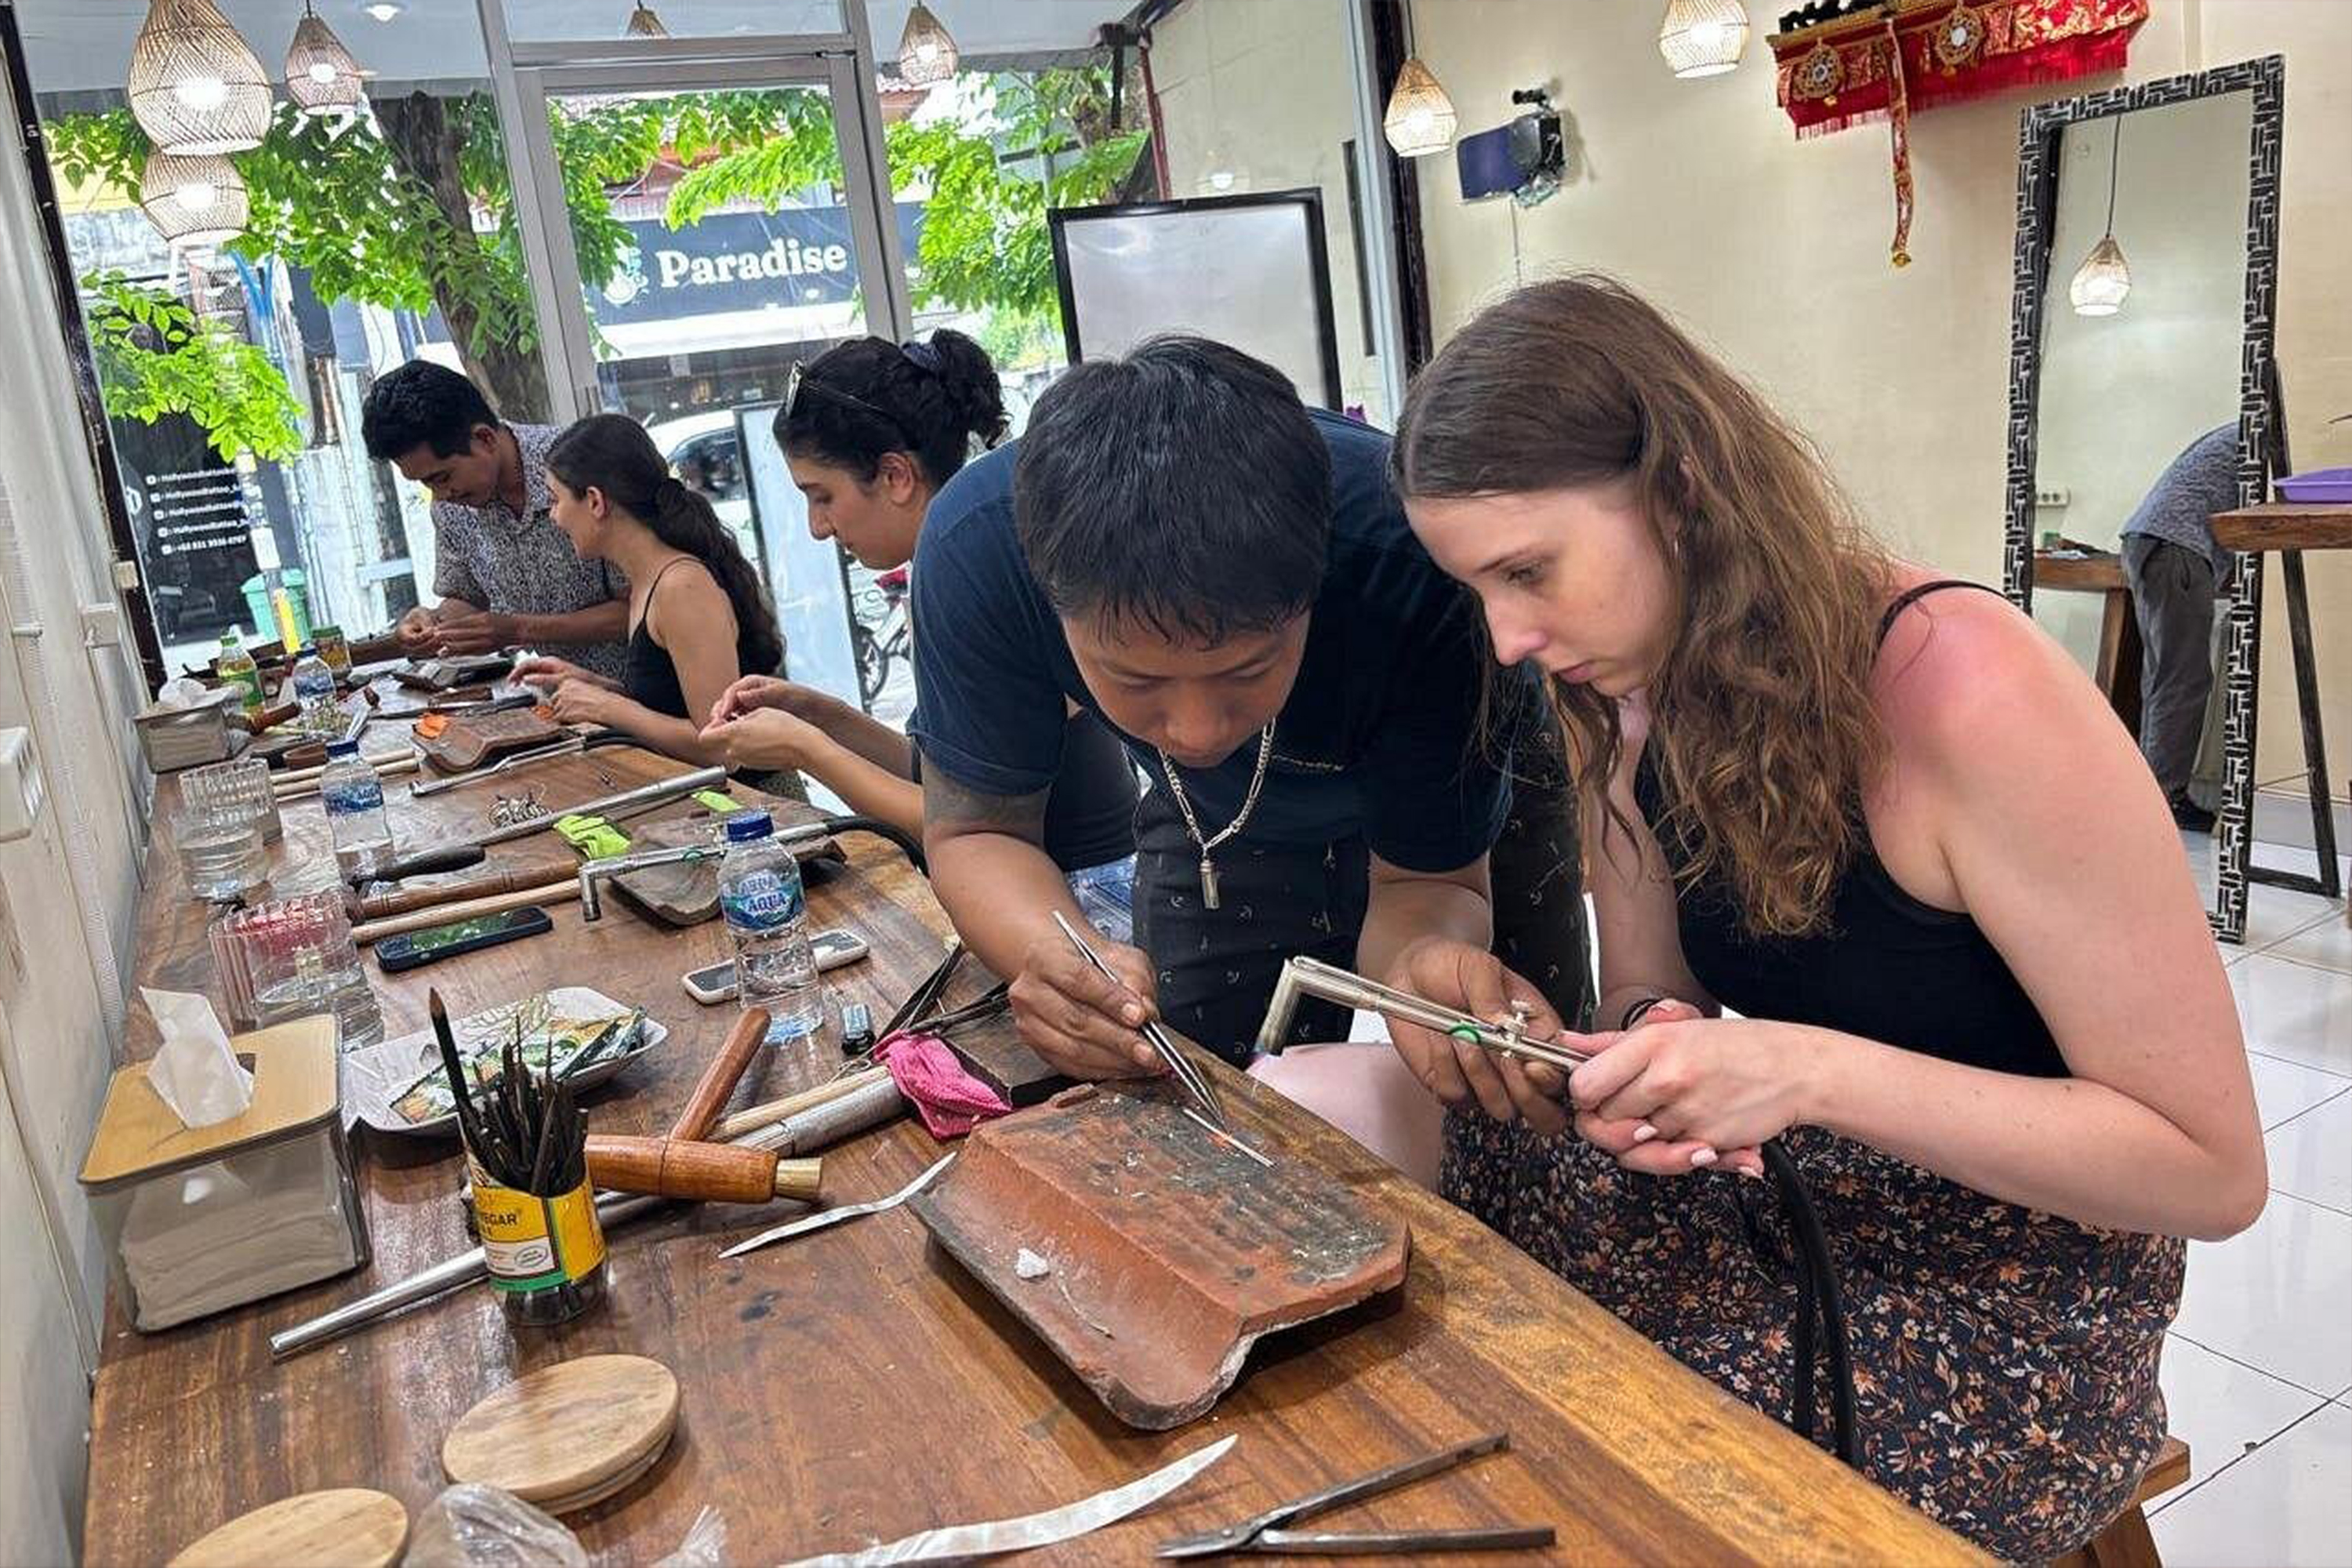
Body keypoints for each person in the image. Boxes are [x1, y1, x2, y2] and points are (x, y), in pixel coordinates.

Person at [1385, 277, 2264, 1560]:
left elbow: (2213, 1172)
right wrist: (1650, 1052)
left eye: (1529, 572)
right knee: (1425, 1268)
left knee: (1606, 1472)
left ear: (1682, 491)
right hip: (1810, 1186)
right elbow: (1646, 988)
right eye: (1479, 590)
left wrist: (1803, 1073)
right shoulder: (1630, 692)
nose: (1509, 637)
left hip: (2027, 1291)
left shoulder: (1968, 691)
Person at [905, 334, 1540, 1070]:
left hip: (1462, 801)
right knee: (1185, 1068)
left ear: (1316, 587)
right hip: (1209, 820)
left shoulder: (1416, 563)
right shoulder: (980, 553)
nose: (1197, 732)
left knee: (1504, 1080)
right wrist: (1053, 957)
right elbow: (978, 833)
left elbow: (1431, 880)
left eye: (1247, 671)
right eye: (1138, 682)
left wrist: (1423, 967)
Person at [699, 332, 1141, 932]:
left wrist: (806, 750)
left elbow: (962, 824)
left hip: (1082, 904)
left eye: (822, 496)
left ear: (896, 475)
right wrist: (822, 716)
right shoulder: (956, 562)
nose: (818, 527)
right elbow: (957, 773)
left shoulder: (987, 565)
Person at [507, 415, 782, 771]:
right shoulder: (645, 582)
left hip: (755, 798)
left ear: (595, 501)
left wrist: (610, 708)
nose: (554, 517)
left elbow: (722, 748)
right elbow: (668, 704)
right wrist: (594, 686)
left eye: (555, 500)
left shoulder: (681, 587)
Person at [360, 362, 630, 678]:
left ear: (485, 438)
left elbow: (641, 608)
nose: (440, 495)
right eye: (425, 483)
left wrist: (520, 629)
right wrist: (434, 624)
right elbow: (466, 597)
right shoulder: (452, 508)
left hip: (649, 692)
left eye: (442, 477)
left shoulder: (579, 465)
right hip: (567, 694)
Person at [2120, 423, 2237, 833]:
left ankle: (2151, 793)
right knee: (2184, 680)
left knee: (2164, 678)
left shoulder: (2233, 432)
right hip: (2176, 545)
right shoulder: (2259, 438)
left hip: (2149, 539)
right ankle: (2162, 798)